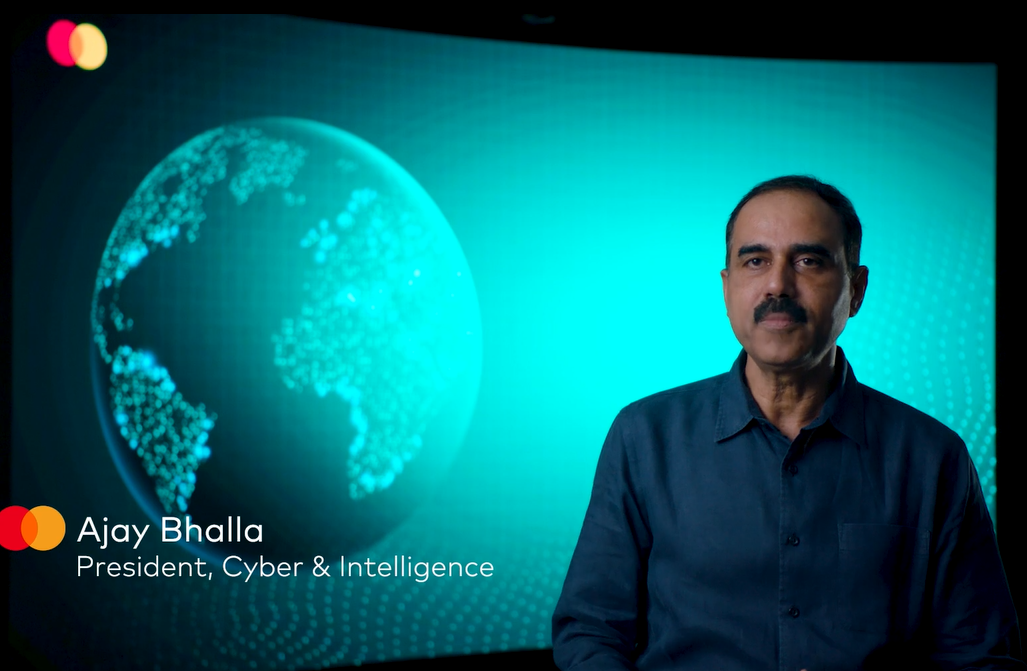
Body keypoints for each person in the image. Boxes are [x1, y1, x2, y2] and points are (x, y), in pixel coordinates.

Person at [551, 175, 1023, 670]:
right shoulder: (643, 437)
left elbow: (982, 657)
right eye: (755, 261)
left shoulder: (933, 458)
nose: (778, 284)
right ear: (727, 287)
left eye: (809, 261)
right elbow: (590, 630)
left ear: (856, 290)